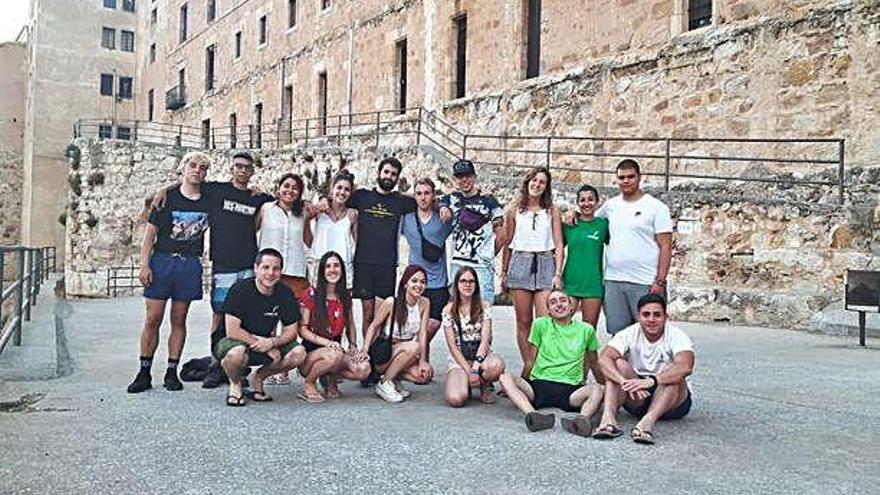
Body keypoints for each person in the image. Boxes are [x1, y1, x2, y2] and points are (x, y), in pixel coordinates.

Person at [127, 152, 212, 393]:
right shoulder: (166, 198)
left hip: (189, 264)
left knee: (178, 319)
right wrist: (144, 265)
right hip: (162, 261)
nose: (198, 170)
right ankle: (144, 371)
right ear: (184, 168)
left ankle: (172, 372)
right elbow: (149, 236)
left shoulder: (209, 198)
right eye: (193, 166)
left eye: (203, 168)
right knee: (153, 318)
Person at [498, 289, 605, 434]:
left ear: (571, 306)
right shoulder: (540, 325)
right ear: (548, 310)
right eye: (553, 302)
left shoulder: (586, 330)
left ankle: (581, 421)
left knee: (598, 389)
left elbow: (594, 362)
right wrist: (518, 386)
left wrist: (605, 389)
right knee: (505, 378)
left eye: (563, 300)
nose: (559, 305)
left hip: (571, 389)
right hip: (539, 386)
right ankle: (533, 416)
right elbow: (531, 360)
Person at [593, 293, 694, 444]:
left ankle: (646, 424)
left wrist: (652, 381)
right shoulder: (629, 333)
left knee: (673, 371)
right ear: (638, 316)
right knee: (618, 364)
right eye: (646, 315)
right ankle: (608, 419)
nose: (651, 319)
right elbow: (604, 358)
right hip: (637, 395)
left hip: (672, 401)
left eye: (657, 315)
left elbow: (685, 366)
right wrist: (623, 382)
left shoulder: (677, 335)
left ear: (665, 317)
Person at [215, 248, 307, 406]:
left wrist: (272, 343)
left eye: (276, 269)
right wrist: (261, 344)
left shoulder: (285, 293)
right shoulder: (239, 290)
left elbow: (291, 331)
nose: (271, 273)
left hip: (266, 342)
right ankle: (235, 384)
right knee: (236, 354)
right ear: (256, 268)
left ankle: (258, 378)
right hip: (234, 341)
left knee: (299, 353)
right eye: (265, 267)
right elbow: (232, 330)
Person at [501, 167, 564, 378]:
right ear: (527, 182)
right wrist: (504, 274)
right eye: (534, 180)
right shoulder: (514, 211)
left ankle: (541, 368)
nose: (537, 185)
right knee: (524, 321)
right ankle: (529, 367)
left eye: (542, 182)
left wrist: (558, 273)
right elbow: (508, 244)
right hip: (521, 262)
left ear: (546, 187)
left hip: (546, 262)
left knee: (545, 322)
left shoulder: (552, 211)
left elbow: (558, 243)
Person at [597, 159, 673, 335]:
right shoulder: (611, 206)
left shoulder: (656, 207)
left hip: (645, 281)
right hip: (614, 281)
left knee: (650, 334)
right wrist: (573, 214)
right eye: (621, 177)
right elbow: (589, 221)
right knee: (619, 336)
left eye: (630, 176)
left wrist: (660, 281)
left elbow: (666, 246)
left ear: (640, 178)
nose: (626, 181)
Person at [346, 157, 417, 334]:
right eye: (386, 172)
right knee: (367, 313)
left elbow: (427, 202)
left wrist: (444, 207)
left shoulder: (402, 202)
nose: (389, 176)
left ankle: (377, 354)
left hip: (387, 266)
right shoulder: (362, 196)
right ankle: (366, 353)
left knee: (381, 315)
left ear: (397, 178)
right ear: (379, 173)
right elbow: (338, 199)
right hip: (363, 264)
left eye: (393, 174)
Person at [296, 251, 371, 403]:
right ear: (322, 271)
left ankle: (330, 378)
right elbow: (302, 329)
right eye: (328, 266)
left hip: (335, 349)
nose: (332, 270)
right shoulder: (312, 294)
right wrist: (326, 343)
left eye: (336, 266)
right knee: (334, 355)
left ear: (342, 270)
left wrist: (353, 345)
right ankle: (309, 383)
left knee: (363, 369)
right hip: (312, 353)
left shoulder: (344, 295)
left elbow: (350, 323)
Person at [361, 265, 434, 403]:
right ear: (405, 284)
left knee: (423, 375)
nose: (419, 285)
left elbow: (423, 332)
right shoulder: (391, 302)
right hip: (384, 354)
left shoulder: (425, 303)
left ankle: (393, 379)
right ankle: (385, 383)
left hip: (405, 353)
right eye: (414, 281)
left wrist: (423, 361)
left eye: (422, 282)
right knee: (414, 347)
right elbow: (373, 326)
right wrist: (364, 350)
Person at [439, 159, 505, 304]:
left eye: (468, 176)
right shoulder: (451, 199)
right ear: (455, 179)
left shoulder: (489, 201)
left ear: (474, 177)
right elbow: (436, 202)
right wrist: (443, 208)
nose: (464, 180)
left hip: (481, 265)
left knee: (484, 309)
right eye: (460, 177)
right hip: (458, 262)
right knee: (458, 309)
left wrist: (488, 255)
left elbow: (501, 234)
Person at [442, 267, 506, 407]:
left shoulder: (484, 306)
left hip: (481, 357)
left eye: (471, 281)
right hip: (460, 359)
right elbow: (452, 346)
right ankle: (465, 382)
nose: (467, 285)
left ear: (476, 284)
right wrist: (468, 369)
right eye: (463, 281)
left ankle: (484, 384)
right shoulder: (448, 310)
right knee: (456, 399)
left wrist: (475, 368)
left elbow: (485, 340)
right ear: (456, 285)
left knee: (497, 365)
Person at [400, 177, 452, 346]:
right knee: (414, 331)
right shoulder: (406, 218)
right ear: (414, 196)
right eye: (419, 193)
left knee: (429, 329)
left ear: (433, 196)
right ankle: (419, 366)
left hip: (438, 284)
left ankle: (417, 361)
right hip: (415, 283)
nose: (423, 197)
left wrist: (443, 205)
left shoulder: (443, 218)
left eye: (427, 193)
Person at [257, 173, 313, 299]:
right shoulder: (266, 209)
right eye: (286, 186)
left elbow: (309, 242)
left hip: (295, 271)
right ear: (279, 188)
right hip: (269, 271)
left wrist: (309, 220)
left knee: (295, 313)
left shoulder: (303, 213)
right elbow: (251, 231)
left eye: (295, 188)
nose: (290, 190)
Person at [562, 184, 609, 329]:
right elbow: (556, 250)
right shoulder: (569, 225)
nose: (586, 203)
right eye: (582, 200)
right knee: (563, 327)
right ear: (577, 203)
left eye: (590, 199)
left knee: (588, 332)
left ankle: (588, 354)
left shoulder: (603, 225)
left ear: (597, 202)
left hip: (593, 285)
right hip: (570, 283)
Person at [309, 171, 357, 289]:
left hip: (342, 266)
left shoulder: (352, 214)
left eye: (347, 189)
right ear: (332, 188)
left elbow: (358, 242)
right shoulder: (320, 210)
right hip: (320, 263)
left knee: (341, 303)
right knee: (317, 302)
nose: (342, 192)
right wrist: (321, 200)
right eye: (339, 187)